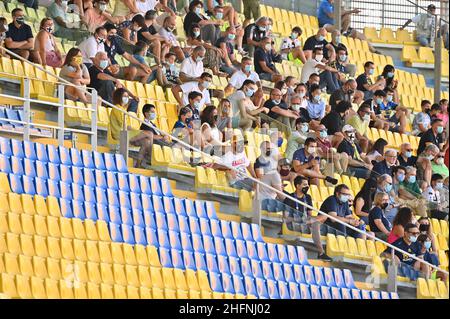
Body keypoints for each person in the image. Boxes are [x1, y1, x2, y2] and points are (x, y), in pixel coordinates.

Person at [283, 175, 332, 261]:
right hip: (294, 224)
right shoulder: (289, 198)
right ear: (298, 186)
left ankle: (321, 253)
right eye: (304, 184)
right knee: (315, 224)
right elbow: (285, 219)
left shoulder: (308, 197)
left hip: (306, 222)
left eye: (308, 184)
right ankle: (321, 253)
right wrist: (301, 220)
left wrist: (311, 219)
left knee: (323, 217)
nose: (307, 186)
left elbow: (310, 214)